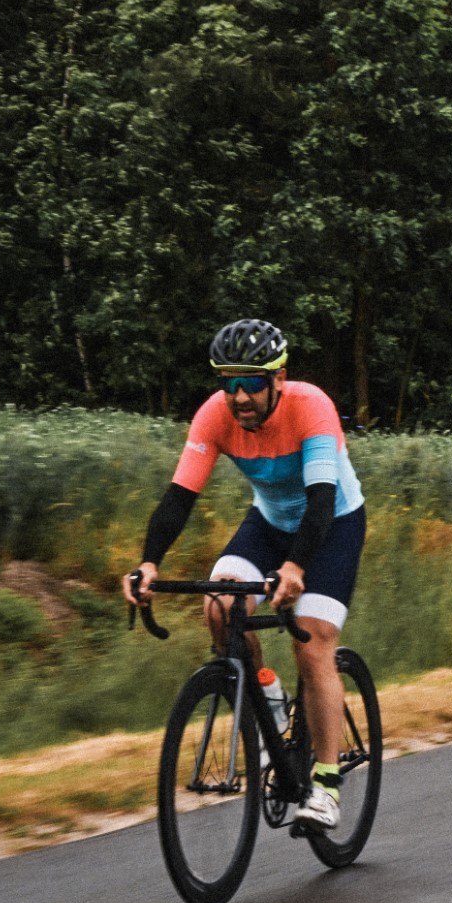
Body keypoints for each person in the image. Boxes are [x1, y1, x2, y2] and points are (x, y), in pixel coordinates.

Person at [124, 319, 366, 834]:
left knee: (312, 641)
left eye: (250, 382)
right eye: (228, 383)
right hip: (270, 524)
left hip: (332, 526)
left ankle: (325, 785)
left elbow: (321, 501)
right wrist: (149, 562)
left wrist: (296, 568)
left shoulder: (311, 407)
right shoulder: (215, 416)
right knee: (220, 606)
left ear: (278, 378)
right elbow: (179, 498)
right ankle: (269, 702)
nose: (238, 396)